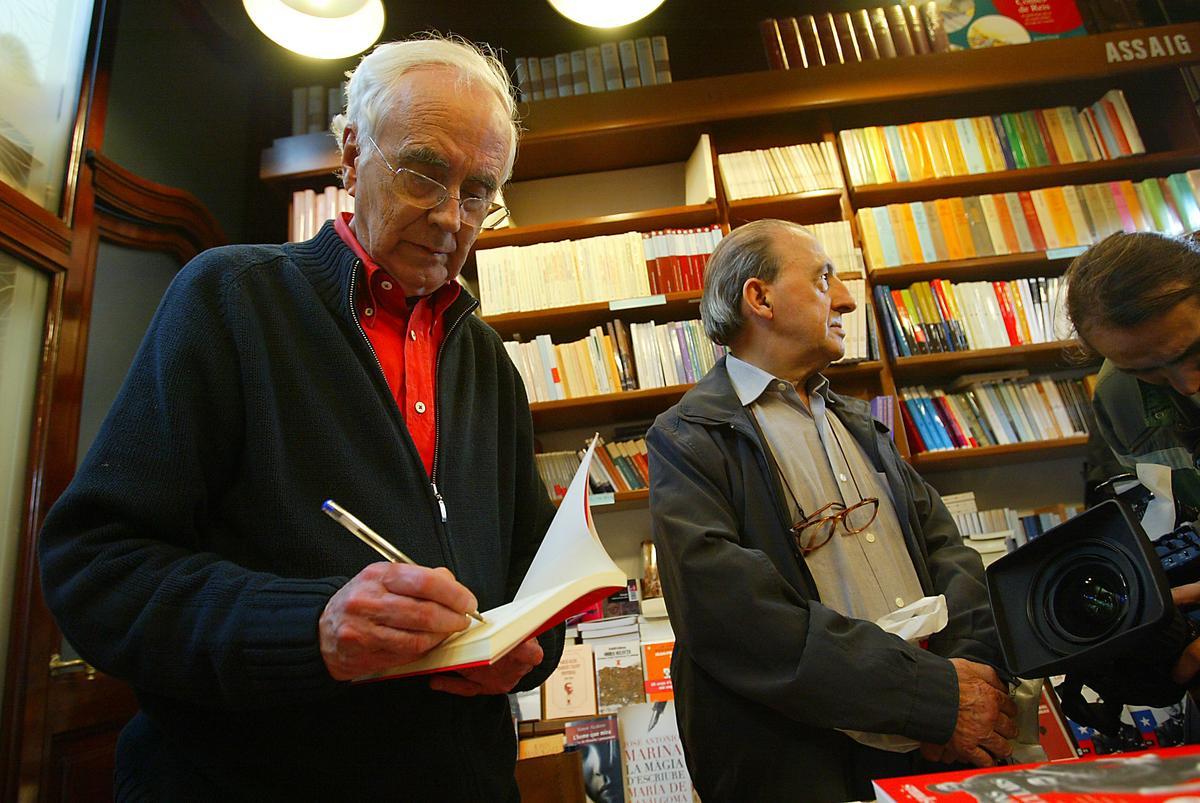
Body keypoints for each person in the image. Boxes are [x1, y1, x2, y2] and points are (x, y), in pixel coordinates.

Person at [37, 36, 563, 801]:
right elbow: (96, 569)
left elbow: (528, 586)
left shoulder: (486, 362)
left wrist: (530, 646)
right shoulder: (230, 300)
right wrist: (309, 627)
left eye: (480, 190)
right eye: (424, 170)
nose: (453, 216)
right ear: (351, 154)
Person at [646, 219, 1017, 802]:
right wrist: (930, 697)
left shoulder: (861, 421)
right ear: (759, 298)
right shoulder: (688, 437)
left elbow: (951, 552)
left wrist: (964, 679)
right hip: (801, 765)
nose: (846, 297)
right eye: (824, 278)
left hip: (929, 747)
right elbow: (733, 616)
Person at [1064, 230, 1200, 688]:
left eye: (1193, 352)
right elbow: (1169, 531)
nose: (1186, 385)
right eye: (1145, 371)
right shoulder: (1118, 396)